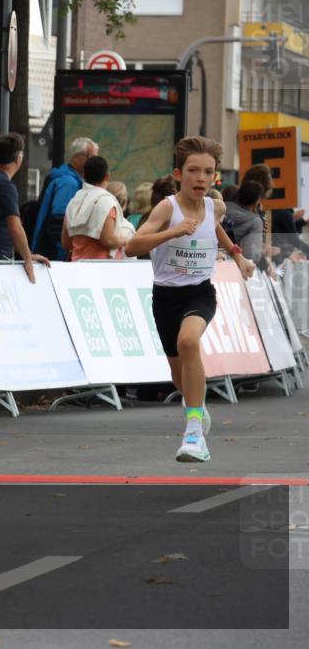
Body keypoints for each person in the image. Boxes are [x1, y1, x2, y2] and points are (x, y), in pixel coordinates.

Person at [125, 136, 255, 463]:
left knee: (189, 342)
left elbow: (217, 231)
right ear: (178, 174)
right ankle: (195, 406)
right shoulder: (167, 208)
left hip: (199, 291)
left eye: (208, 172)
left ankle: (194, 433)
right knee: (177, 374)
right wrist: (172, 231)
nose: (200, 178)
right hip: (165, 296)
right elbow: (133, 246)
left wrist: (239, 257)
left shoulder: (215, 206)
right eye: (193, 170)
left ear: (215, 178)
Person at [0, 133, 51, 282]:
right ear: (18, 158)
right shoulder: (4, 185)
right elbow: (15, 227)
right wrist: (28, 260)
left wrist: (26, 254)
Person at [32, 136, 99, 259]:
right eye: (92, 157)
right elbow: (58, 223)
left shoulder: (63, 178)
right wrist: (68, 254)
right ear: (76, 157)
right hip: (56, 258)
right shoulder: (68, 183)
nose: (95, 163)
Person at [60, 156, 131, 261]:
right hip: (102, 269)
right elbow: (109, 241)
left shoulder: (73, 202)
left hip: (76, 267)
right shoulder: (107, 201)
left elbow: (66, 243)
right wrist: (126, 240)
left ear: (83, 175)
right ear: (107, 177)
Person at [226, 181, 266, 264]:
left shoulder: (221, 208)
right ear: (257, 200)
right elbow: (250, 256)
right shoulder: (255, 221)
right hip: (237, 266)